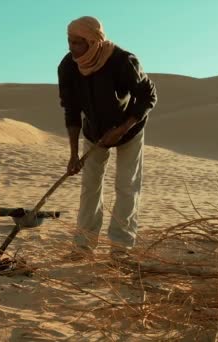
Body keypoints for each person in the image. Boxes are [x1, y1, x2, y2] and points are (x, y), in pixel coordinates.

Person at [57, 16, 157, 257]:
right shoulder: (68, 67)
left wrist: (121, 129)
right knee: (90, 186)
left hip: (129, 130)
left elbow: (148, 96)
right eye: (69, 41)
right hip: (94, 132)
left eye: (77, 43)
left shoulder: (123, 61)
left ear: (93, 42)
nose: (71, 48)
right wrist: (73, 155)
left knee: (126, 186)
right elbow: (71, 110)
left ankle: (121, 248)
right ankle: (83, 246)